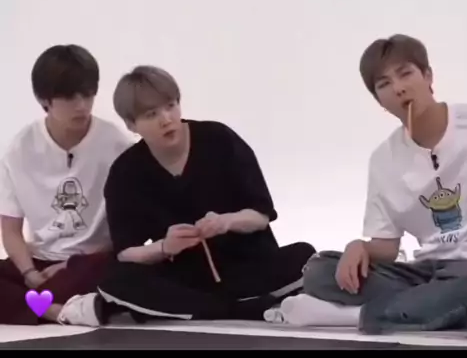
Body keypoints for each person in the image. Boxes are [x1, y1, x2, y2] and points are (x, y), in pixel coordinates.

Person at [59, 65, 315, 326]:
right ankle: (244, 308)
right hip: (184, 278)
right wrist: (164, 247)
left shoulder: (220, 139)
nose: (166, 119)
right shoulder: (126, 171)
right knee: (115, 280)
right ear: (131, 124)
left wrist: (227, 222)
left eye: (171, 106)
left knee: (305, 256)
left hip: (249, 266)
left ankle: (201, 309)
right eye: (151, 114)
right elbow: (126, 252)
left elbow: (261, 216)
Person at [271, 34, 467, 333]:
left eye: (406, 73)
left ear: (428, 76)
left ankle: (355, 316)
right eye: (384, 84)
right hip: (425, 272)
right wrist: (360, 247)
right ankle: (455, 307)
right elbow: (387, 247)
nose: (398, 88)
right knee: (319, 271)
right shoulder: (384, 160)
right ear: (380, 101)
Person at [0, 44, 132, 325]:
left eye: (88, 94)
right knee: (38, 286)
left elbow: (127, 231)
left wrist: (67, 265)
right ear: (43, 99)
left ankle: (34, 305)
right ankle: (55, 310)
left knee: (115, 272)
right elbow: (10, 230)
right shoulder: (18, 150)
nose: (82, 105)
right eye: (70, 97)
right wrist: (29, 273)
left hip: (91, 261)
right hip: (40, 263)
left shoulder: (118, 145)